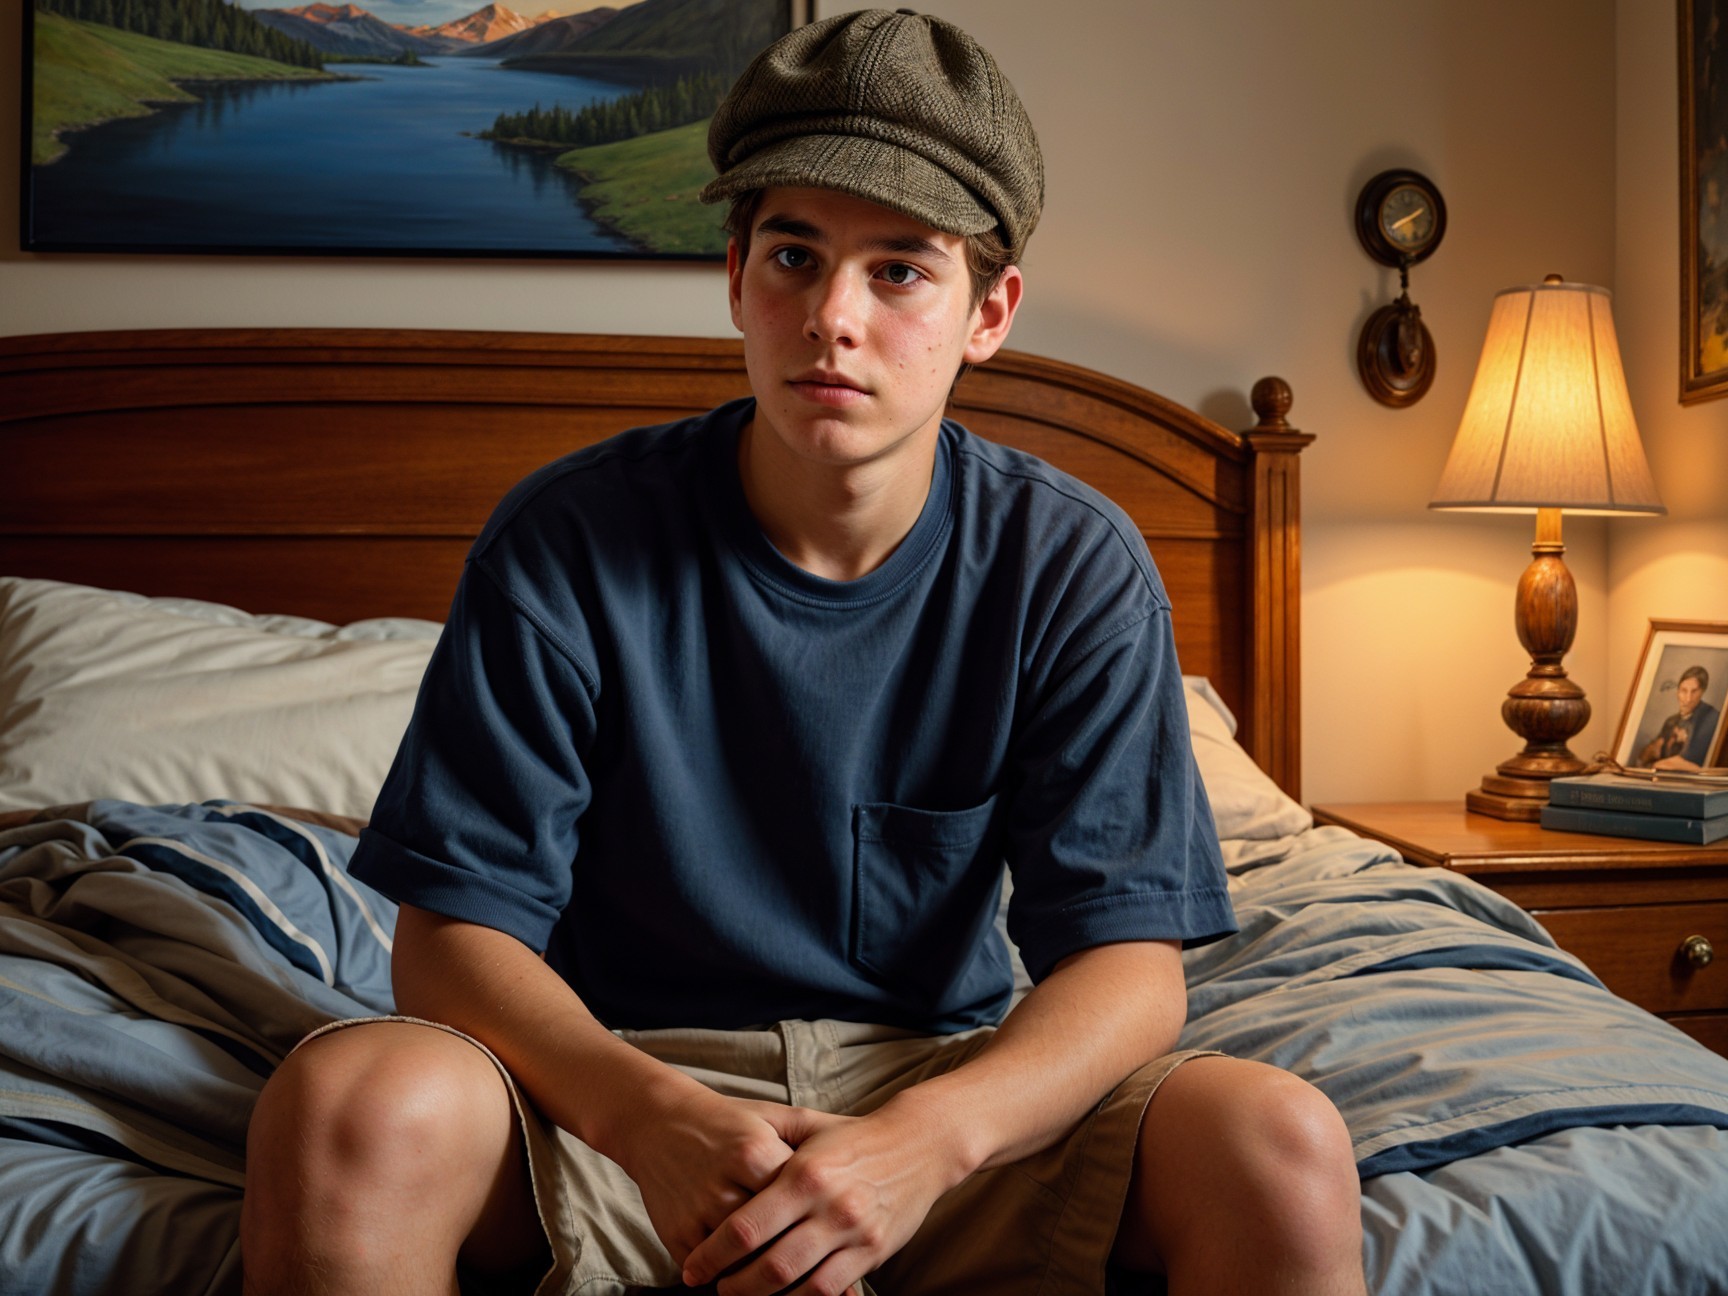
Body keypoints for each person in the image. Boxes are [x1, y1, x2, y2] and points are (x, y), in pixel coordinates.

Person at [240, 11, 1367, 1295]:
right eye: (794, 256)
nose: (833, 317)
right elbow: (449, 938)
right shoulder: (565, 540)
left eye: (900, 271)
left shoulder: (1074, 563)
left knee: (1278, 1140)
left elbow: (1129, 967)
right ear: (736, 278)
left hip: (943, 1096)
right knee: (348, 1100)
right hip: (612, 1092)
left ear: (989, 312)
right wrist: (647, 1118)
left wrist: (924, 1146)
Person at [1637, 665, 1721, 771]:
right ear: (1678, 691)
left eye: (1694, 691)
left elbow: (1690, 764)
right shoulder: (1670, 722)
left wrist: (1653, 766)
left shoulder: (1711, 718)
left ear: (1702, 692)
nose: (1688, 699)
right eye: (1684, 691)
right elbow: (1649, 755)